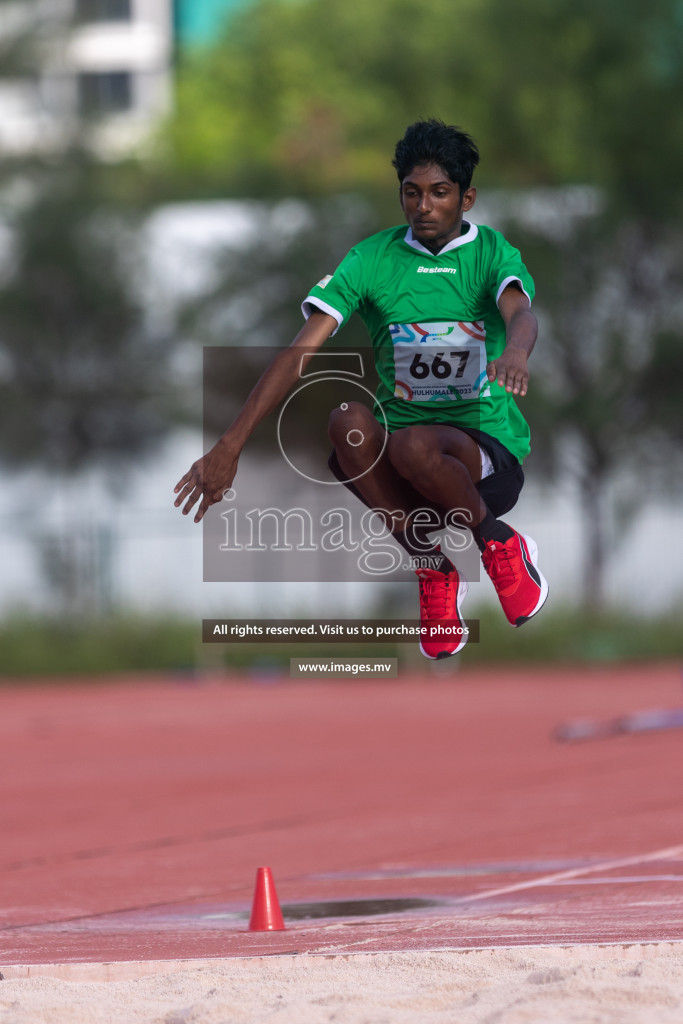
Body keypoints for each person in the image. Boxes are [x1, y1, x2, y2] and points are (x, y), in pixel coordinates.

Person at [174, 118, 548, 659]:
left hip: (485, 458)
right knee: (347, 421)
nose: (423, 206)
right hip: (410, 469)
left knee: (414, 443)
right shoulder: (371, 260)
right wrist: (229, 445)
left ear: (467, 197)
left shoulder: (490, 253)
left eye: (439, 193)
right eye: (411, 193)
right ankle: (434, 569)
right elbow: (298, 353)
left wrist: (515, 350)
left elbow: (522, 313)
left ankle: (499, 543)